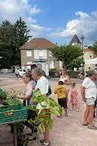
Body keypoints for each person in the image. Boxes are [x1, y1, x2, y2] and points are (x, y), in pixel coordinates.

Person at [31, 67, 51, 146]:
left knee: (45, 124)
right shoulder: (42, 79)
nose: (32, 76)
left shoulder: (41, 81)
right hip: (43, 105)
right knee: (44, 124)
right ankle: (46, 139)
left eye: (32, 74)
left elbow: (43, 95)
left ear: (36, 74)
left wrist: (34, 101)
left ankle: (46, 142)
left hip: (43, 107)